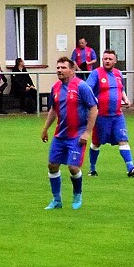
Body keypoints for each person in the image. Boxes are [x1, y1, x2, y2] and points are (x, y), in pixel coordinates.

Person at [40, 57, 97, 210]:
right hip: (60, 135)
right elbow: (53, 109)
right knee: (52, 165)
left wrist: (87, 132)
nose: (59, 70)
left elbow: (93, 108)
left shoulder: (82, 86)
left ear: (72, 70)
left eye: (63, 67)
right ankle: (56, 200)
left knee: (73, 167)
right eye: (58, 67)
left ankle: (77, 194)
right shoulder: (55, 87)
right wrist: (45, 129)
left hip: (77, 135)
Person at [85, 51, 134, 178]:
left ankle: (130, 168)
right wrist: (94, 102)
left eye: (110, 59)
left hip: (117, 115)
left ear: (115, 61)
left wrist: (126, 99)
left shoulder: (118, 74)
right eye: (105, 59)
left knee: (123, 140)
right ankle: (92, 169)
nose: (107, 61)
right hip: (101, 116)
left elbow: (121, 89)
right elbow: (87, 89)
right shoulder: (96, 73)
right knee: (96, 143)